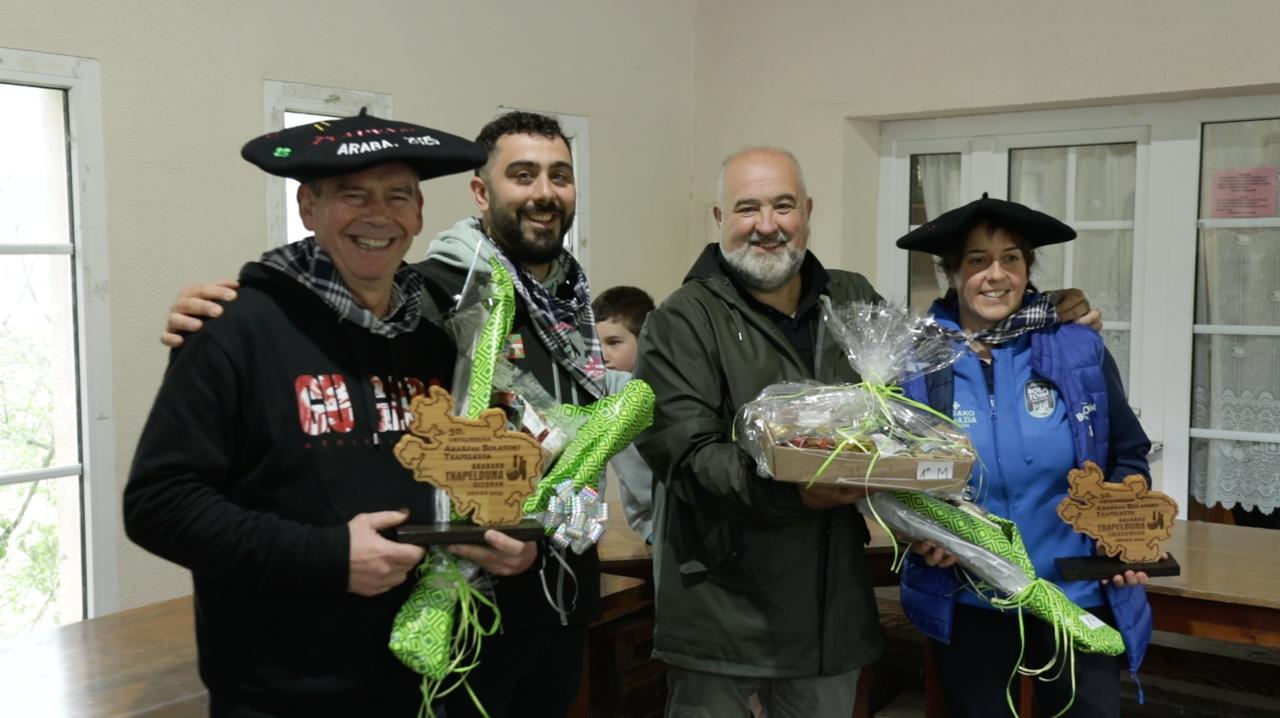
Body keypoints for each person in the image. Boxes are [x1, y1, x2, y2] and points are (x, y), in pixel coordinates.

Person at [157, 111, 603, 718]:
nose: (377, 215)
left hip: (457, 654)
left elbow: (481, 472)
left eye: (396, 196)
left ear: (418, 211)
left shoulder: (452, 328)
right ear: (308, 206)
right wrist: (328, 557)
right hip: (302, 681)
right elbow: (164, 503)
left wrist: (528, 548)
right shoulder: (246, 328)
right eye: (352, 195)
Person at [633, 148, 1103, 718]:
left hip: (830, 612)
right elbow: (686, 457)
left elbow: (911, 399)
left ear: (807, 211)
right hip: (723, 615)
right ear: (719, 217)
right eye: (747, 208)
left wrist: (1044, 311)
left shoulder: (850, 296)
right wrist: (796, 491)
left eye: (783, 205)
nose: (767, 224)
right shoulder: (681, 320)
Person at [895, 195, 1153, 718]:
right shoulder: (918, 362)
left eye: (1011, 258)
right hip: (973, 598)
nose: (996, 275)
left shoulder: (1077, 348)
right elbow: (895, 476)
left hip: (1077, 594)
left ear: (1028, 269)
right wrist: (918, 534)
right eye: (977, 260)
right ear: (952, 274)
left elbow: (1127, 452)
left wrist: (1122, 540)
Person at [593, 285, 658, 540]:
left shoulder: (659, 388)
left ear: (646, 341)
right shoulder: (605, 395)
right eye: (595, 345)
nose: (602, 355)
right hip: (649, 525)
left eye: (614, 343)